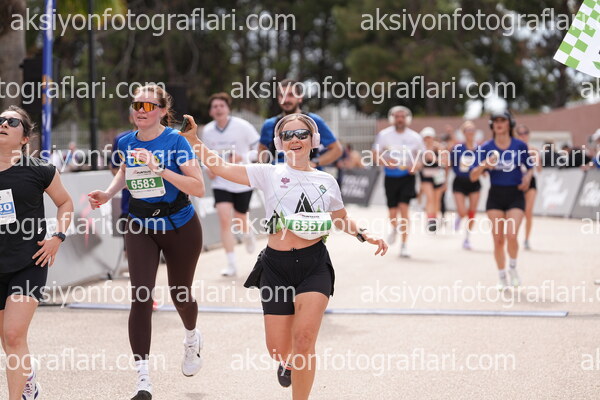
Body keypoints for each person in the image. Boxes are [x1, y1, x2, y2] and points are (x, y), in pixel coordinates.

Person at [179, 113, 387, 400]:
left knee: (304, 340)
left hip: (314, 265)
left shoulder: (327, 181)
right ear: (279, 142)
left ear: (313, 140)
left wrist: (364, 234)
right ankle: (287, 361)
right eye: (288, 135)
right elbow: (222, 167)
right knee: (277, 349)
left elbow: (340, 218)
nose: (295, 139)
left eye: (302, 134)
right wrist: (195, 142)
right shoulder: (269, 173)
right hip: (276, 267)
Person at [88, 85, 205, 400]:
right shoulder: (126, 141)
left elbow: (198, 187)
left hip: (180, 225)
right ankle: (143, 380)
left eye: (148, 105)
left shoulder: (177, 141)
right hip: (140, 224)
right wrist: (108, 193)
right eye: (136, 104)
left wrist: (160, 169)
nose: (140, 110)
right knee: (141, 297)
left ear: (162, 111)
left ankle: (192, 337)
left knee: (181, 294)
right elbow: (125, 172)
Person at [0, 106, 74, 400]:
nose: (3, 124)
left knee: (14, 334)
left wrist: (58, 236)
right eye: (0, 120)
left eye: (12, 121)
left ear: (24, 138)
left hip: (29, 262)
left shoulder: (39, 170)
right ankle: (28, 379)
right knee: (8, 340)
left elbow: (65, 203)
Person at [470, 111, 533, 289]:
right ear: (491, 125)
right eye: (495, 121)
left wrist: (527, 178)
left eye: (502, 120)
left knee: (511, 236)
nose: (499, 124)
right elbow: (473, 176)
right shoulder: (486, 147)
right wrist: (484, 164)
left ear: (509, 124)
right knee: (498, 240)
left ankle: (512, 268)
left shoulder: (519, 145)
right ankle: (501, 276)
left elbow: (529, 167)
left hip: (515, 194)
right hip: (496, 196)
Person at [202, 92, 260, 276]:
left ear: (228, 109)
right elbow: (204, 154)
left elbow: (259, 150)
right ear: (210, 112)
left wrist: (243, 157)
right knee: (224, 218)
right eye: (215, 107)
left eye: (222, 106)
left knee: (240, 218)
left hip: (242, 179)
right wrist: (208, 168)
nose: (218, 109)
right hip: (221, 182)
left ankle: (248, 233)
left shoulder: (243, 126)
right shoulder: (208, 131)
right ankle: (231, 264)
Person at [372, 106, 424, 257]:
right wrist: (386, 162)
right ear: (392, 118)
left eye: (402, 116)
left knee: (404, 209)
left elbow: (422, 158)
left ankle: (404, 245)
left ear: (407, 119)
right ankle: (395, 228)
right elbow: (375, 154)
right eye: (397, 116)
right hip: (390, 177)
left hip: (407, 177)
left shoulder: (415, 137)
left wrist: (416, 166)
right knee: (392, 213)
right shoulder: (384, 135)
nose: (400, 119)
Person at [258, 78, 342, 166]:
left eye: (291, 95)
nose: (286, 100)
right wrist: (264, 167)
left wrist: (314, 163)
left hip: (307, 173)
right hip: (279, 172)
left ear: (300, 98)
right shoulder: (269, 124)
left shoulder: (313, 121)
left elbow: (336, 149)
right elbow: (262, 148)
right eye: (282, 95)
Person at [450, 121, 481, 249]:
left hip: (474, 182)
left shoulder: (480, 149)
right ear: (463, 133)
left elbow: (483, 164)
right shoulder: (457, 148)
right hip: (460, 181)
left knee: (472, 212)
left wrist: (483, 171)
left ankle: (467, 238)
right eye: (468, 130)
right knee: (463, 211)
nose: (470, 132)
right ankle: (459, 216)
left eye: (472, 130)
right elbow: (451, 164)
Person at [515, 125, 542, 250]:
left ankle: (526, 239)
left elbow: (539, 170)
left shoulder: (534, 150)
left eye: (525, 133)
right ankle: (513, 236)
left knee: (528, 211)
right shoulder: (514, 149)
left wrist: (536, 160)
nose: (523, 136)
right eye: (520, 133)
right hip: (517, 181)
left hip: (531, 182)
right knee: (517, 212)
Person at [418, 127, 448, 233]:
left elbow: (445, 162)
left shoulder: (439, 148)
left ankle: (434, 218)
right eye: (425, 137)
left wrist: (434, 159)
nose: (427, 139)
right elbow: (418, 164)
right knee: (430, 198)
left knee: (436, 199)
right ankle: (430, 220)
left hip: (438, 177)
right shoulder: (421, 149)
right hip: (426, 177)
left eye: (429, 137)